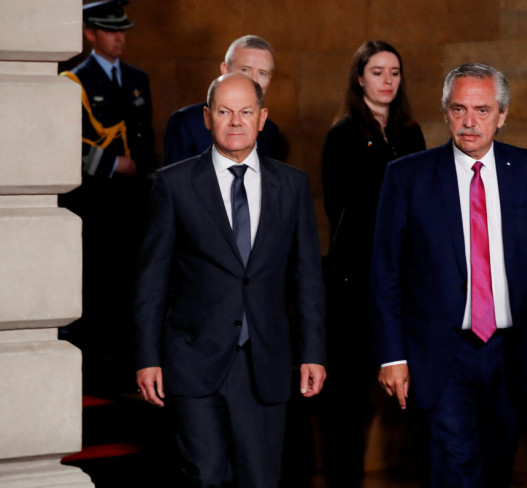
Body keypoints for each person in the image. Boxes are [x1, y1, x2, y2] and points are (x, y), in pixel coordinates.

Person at [370, 62, 527, 487]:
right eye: (458, 109)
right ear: (445, 112)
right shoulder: (407, 176)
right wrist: (392, 355)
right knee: (453, 471)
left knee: (495, 470)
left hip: (511, 352)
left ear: (503, 115)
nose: (469, 122)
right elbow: (386, 272)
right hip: (441, 352)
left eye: (481, 110)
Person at [134, 73, 326, 488]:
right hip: (192, 359)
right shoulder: (175, 183)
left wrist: (313, 352)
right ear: (207, 118)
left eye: (246, 112)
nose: (235, 121)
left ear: (262, 118)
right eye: (224, 111)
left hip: (264, 361)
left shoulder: (291, 185)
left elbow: (307, 276)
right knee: (205, 476)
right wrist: (148, 357)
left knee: (260, 479)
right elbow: (153, 278)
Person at [320, 40, 425, 488]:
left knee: (420, 399)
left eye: (394, 72)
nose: (387, 80)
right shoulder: (342, 135)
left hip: (409, 283)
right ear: (360, 77)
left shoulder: (410, 133)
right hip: (355, 284)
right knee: (348, 404)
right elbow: (342, 211)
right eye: (378, 71)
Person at [58, 0, 155, 388]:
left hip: (133, 200)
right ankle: (95, 364)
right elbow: (67, 144)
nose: (119, 38)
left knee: (133, 277)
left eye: (123, 30)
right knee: (98, 279)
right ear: (90, 33)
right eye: (110, 30)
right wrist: (113, 165)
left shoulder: (137, 78)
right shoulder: (72, 81)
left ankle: (126, 360)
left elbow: (145, 138)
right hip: (96, 200)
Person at [162, 35, 283, 165]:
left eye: (262, 73)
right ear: (225, 70)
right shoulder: (186, 122)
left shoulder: (270, 131)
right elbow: (174, 181)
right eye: (245, 70)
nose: (253, 80)